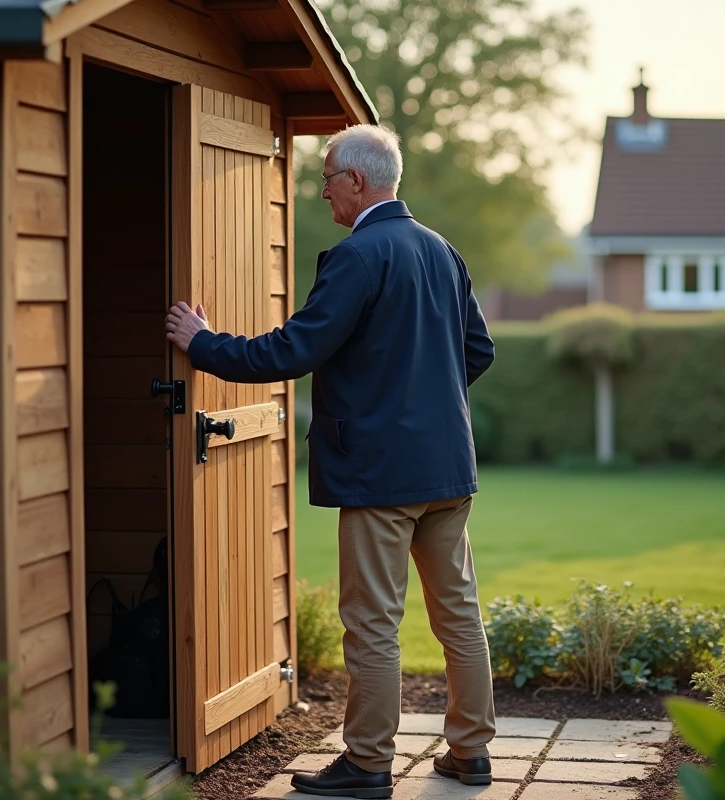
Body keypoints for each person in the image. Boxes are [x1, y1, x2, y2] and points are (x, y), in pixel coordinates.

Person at [164, 124, 497, 799]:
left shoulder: (358, 255)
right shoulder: (442, 250)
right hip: (447, 469)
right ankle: (472, 753)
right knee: (458, 612)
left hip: (381, 475)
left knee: (372, 622)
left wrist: (203, 344)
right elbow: (478, 350)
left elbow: (292, 351)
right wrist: (423, 405)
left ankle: (368, 764)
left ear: (357, 180)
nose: (320, 193)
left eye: (326, 179)